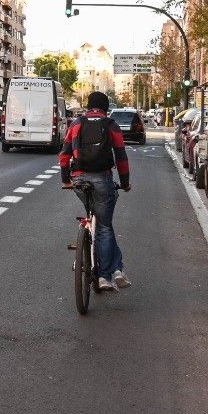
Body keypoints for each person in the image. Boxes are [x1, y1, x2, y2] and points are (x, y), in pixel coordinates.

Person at [60, 90, 132, 292]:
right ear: (106, 108)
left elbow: (64, 155)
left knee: (99, 221)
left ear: (88, 106)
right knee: (104, 226)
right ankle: (106, 275)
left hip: (79, 180)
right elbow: (121, 156)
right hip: (102, 179)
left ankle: (115, 269)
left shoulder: (76, 123)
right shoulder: (110, 124)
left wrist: (66, 180)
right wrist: (125, 183)